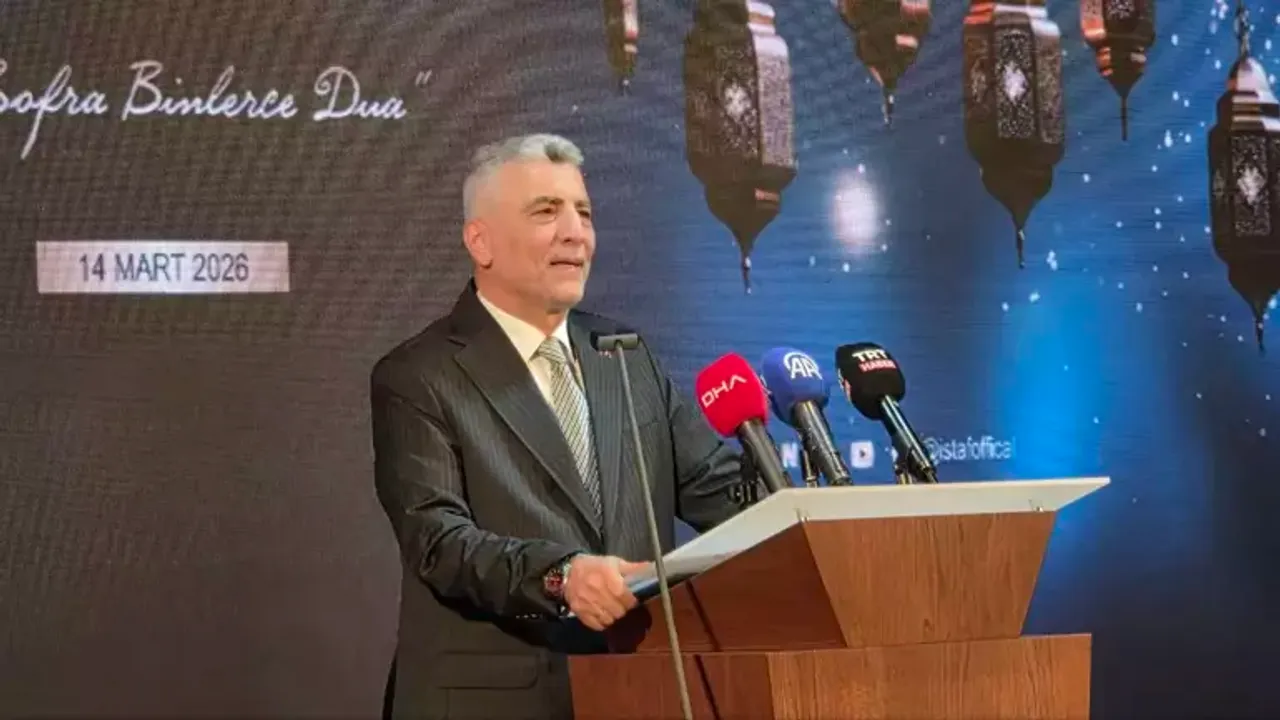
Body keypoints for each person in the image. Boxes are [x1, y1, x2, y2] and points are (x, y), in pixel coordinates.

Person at [371, 133, 747, 719]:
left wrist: (814, 505)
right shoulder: (418, 375)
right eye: (547, 211)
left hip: (636, 693)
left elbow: (719, 494)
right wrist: (562, 576)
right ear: (480, 241)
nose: (576, 232)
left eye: (584, 213)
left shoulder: (624, 355)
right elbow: (439, 542)